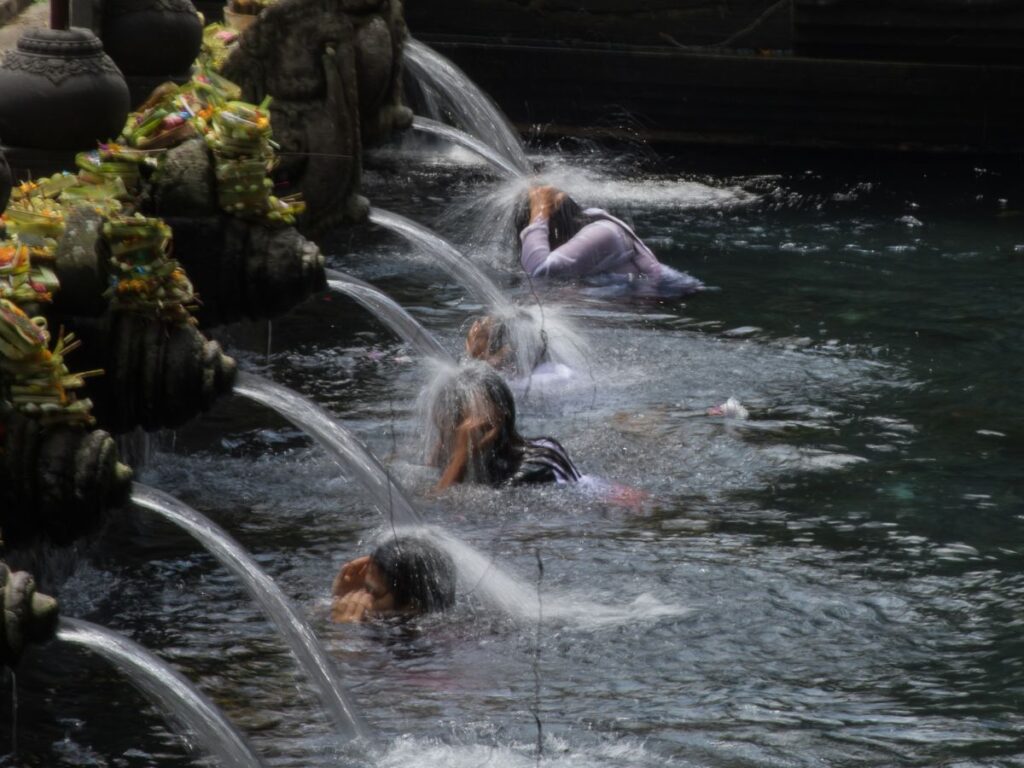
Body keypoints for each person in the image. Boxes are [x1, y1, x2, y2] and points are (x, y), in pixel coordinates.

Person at [518, 184, 703, 293]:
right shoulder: (579, 247)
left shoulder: (605, 232)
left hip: (673, 301)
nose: (534, 238)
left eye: (535, 232)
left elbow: (538, 271)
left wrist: (539, 211)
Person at [427, 360, 581, 490]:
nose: (444, 429)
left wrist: (461, 455)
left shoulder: (529, 470)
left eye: (450, 424)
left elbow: (438, 508)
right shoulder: (476, 462)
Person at [332, 535, 456, 623]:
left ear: (411, 606)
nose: (359, 596)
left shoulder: (425, 644)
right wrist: (338, 597)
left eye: (373, 593)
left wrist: (343, 633)